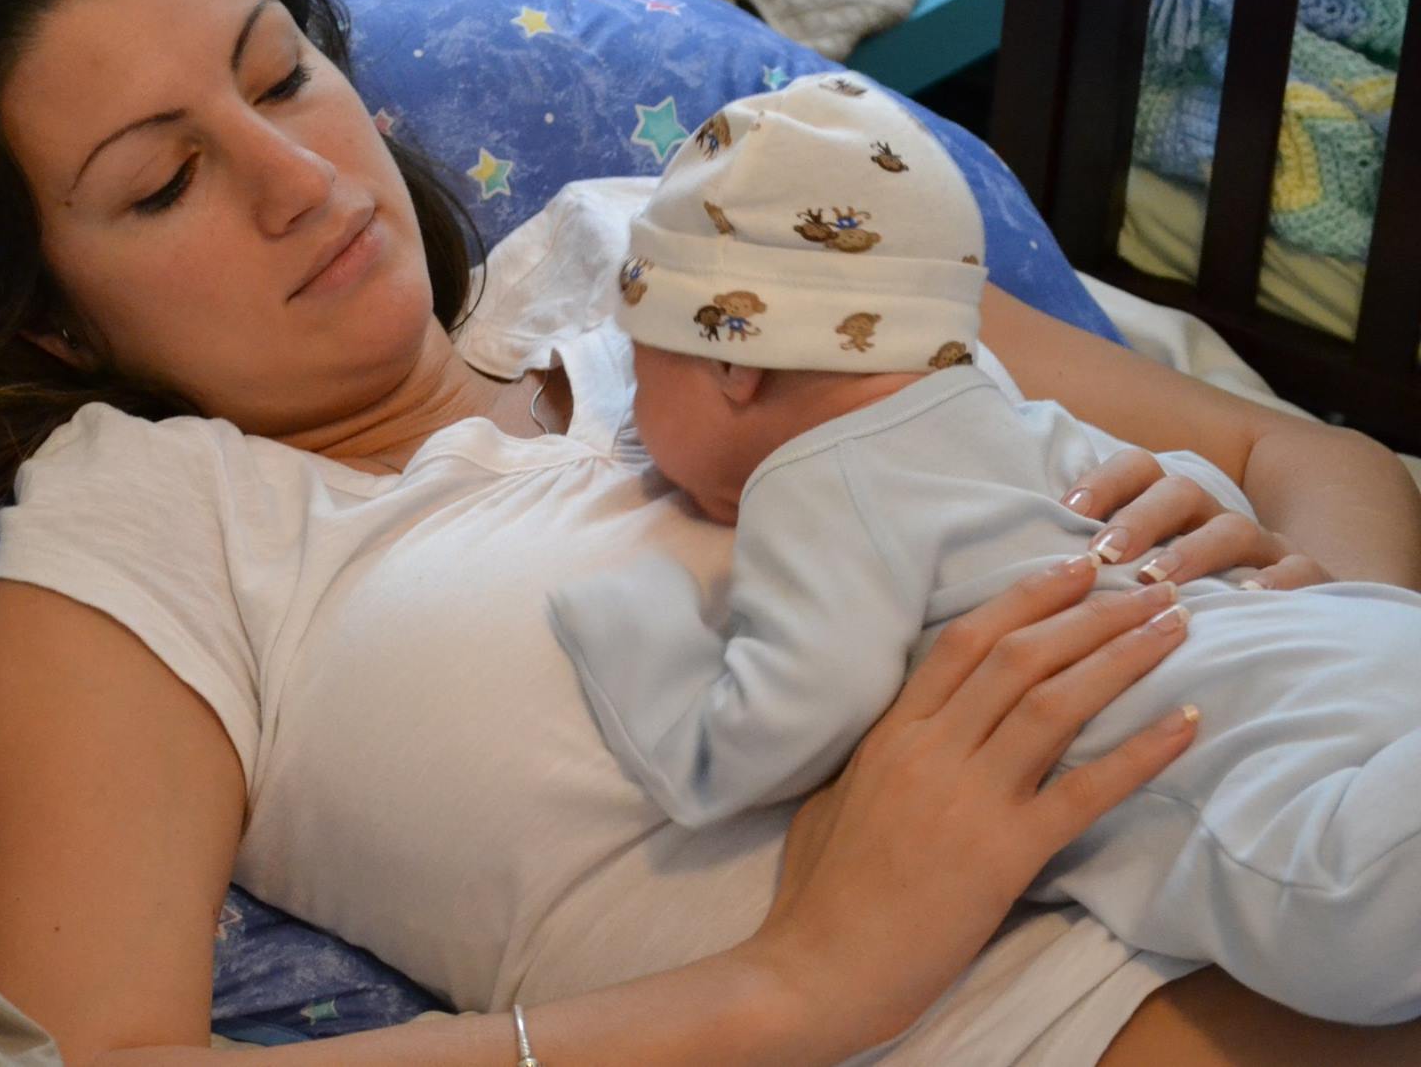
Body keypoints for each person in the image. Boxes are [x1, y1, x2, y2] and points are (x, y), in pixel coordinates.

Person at [0, 0, 1421, 1065]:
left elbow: (1313, 458)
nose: (303, 179)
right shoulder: (152, 541)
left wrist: (1318, 621)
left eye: (284, 77)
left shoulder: (669, 236)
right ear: (46, 316)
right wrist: (796, 984)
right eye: (165, 181)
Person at [546, 74, 1421, 1026]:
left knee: (1346, 926)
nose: (632, 409)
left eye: (640, 361)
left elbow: (772, 729)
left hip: (1275, 780)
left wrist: (634, 625)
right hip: (1360, 646)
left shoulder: (815, 483)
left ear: (730, 357)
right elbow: (1186, 490)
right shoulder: (1007, 410)